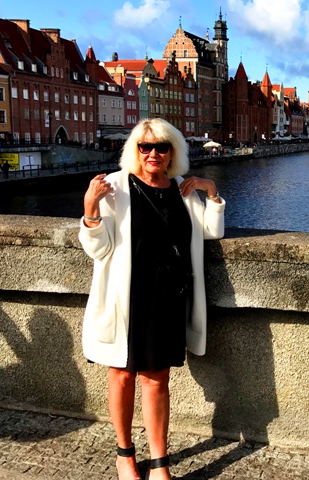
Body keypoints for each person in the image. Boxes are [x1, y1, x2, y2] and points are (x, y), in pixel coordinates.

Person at [78, 118, 225, 480]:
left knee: (157, 379)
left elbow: (209, 231)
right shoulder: (115, 187)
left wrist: (211, 192)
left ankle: (159, 462)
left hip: (169, 297)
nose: (153, 154)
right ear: (136, 150)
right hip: (127, 298)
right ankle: (125, 455)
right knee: (122, 374)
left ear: (173, 152)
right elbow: (99, 250)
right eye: (146, 147)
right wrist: (90, 210)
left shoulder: (182, 188)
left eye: (162, 147)